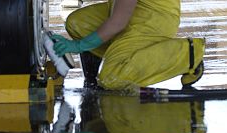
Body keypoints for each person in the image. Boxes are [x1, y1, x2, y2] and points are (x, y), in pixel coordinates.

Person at [51, 0, 205, 90]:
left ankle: (189, 55)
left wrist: (79, 46)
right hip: (129, 8)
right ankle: (102, 68)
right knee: (78, 23)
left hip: (153, 19)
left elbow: (118, 22)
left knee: (113, 78)